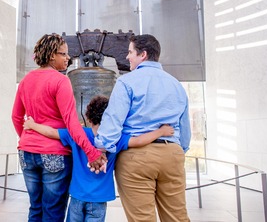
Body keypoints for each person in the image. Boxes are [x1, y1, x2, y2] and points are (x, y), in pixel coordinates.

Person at [24, 95, 174, 222]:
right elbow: (139, 140)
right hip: (99, 199)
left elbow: (51, 132)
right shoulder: (117, 138)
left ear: (89, 118)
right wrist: (160, 131)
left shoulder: (79, 134)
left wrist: (32, 124)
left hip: (77, 195)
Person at [94, 34, 191, 222]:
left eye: (130, 52)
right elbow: (184, 130)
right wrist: (178, 150)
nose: (128, 57)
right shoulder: (176, 85)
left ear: (143, 54)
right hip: (172, 154)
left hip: (137, 157)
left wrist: (101, 149)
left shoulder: (127, 82)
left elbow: (113, 122)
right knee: (177, 217)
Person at [12, 33, 107, 222]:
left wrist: (27, 139)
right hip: (55, 155)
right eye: (63, 54)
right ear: (51, 55)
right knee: (53, 213)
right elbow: (72, 124)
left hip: (26, 153)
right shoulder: (60, 81)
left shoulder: (26, 81)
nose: (68, 58)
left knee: (35, 208)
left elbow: (16, 116)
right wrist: (92, 152)